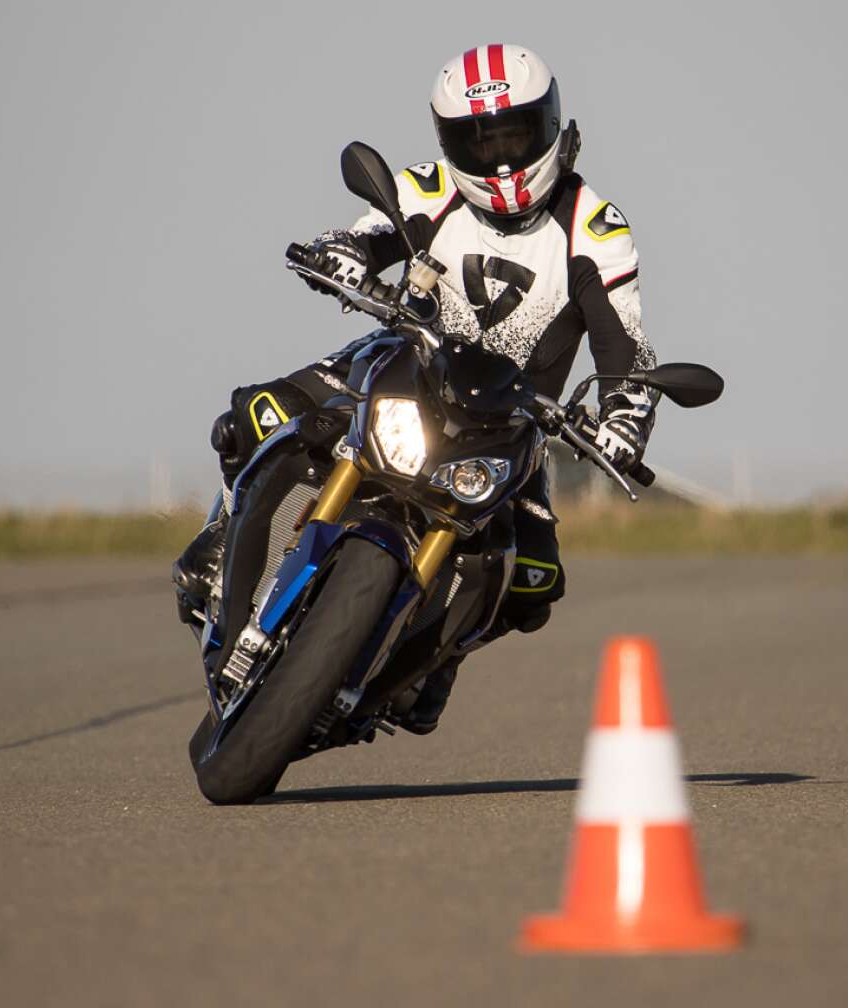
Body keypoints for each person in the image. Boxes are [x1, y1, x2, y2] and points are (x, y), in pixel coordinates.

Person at [173, 44, 656, 731]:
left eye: (513, 133)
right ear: (448, 139)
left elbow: (625, 347)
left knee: (533, 584)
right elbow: (369, 232)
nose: (498, 157)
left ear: (550, 126)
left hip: (510, 419)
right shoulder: (432, 186)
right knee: (254, 417)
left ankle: (432, 661)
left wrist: (626, 410)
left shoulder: (597, 231)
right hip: (403, 364)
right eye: (478, 139)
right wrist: (338, 251)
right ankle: (223, 542)